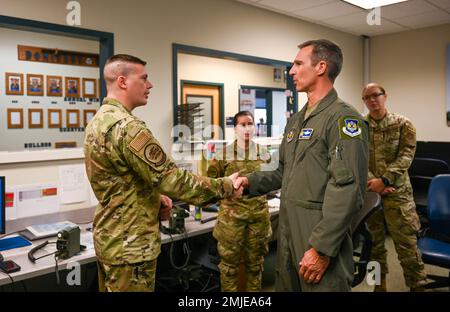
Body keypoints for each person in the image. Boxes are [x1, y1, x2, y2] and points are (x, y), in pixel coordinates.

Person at [84, 54, 241, 292]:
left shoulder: (98, 122)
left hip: (110, 240)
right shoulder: (128, 127)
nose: (150, 85)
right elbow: (173, 180)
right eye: (144, 78)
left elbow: (118, 182)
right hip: (131, 248)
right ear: (123, 81)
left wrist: (154, 198)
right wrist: (226, 186)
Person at [234, 39, 369, 291]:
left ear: (320, 67)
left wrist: (322, 247)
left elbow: (347, 190)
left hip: (318, 232)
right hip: (288, 227)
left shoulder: (344, 118)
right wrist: (249, 181)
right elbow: (282, 170)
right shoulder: (296, 120)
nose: (291, 71)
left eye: (297, 63)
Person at [362, 82, 428, 291]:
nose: (372, 100)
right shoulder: (359, 127)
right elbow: (357, 159)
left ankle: (417, 286)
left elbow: (406, 156)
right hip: (370, 193)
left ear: (385, 96)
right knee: (373, 247)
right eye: (367, 97)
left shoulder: (403, 124)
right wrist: (375, 183)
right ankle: (377, 287)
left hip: (398, 195)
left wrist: (385, 180)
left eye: (376, 95)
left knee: (407, 247)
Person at [206, 111, 272, 291]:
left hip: (258, 217)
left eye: (250, 123)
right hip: (231, 219)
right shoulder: (222, 155)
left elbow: (272, 180)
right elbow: (212, 185)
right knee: (229, 267)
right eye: (242, 124)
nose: (247, 128)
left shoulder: (265, 154)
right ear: (235, 128)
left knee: (255, 265)